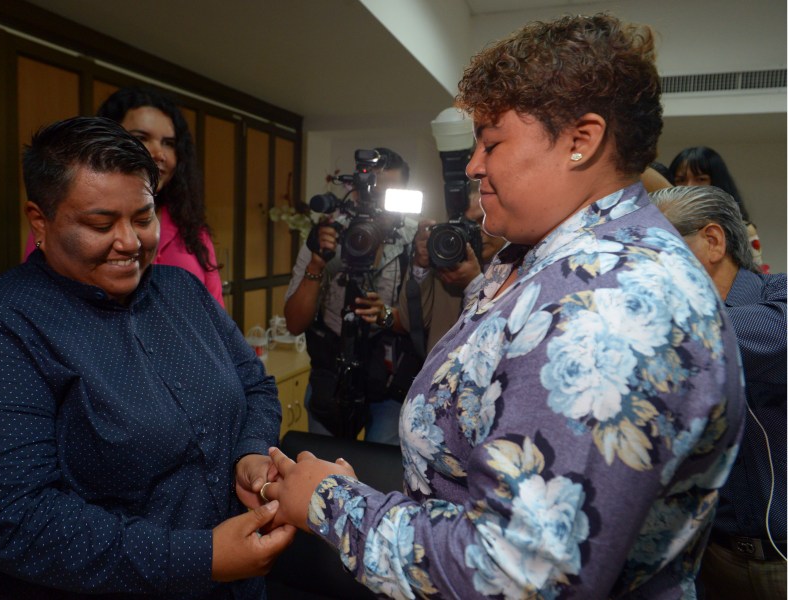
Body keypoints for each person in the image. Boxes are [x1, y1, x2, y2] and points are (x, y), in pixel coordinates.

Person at [263, 14, 745, 598]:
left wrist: (330, 502)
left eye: (491, 142)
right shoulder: (537, 257)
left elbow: (516, 575)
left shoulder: (610, 306)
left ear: (580, 141)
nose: (472, 165)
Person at [0, 116, 294, 599]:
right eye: (101, 224)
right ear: (39, 222)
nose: (130, 242)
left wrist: (251, 451)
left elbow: (253, 384)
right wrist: (200, 557)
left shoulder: (182, 291)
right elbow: (12, 520)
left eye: (143, 217)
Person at [650, 185, 786, 599]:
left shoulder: (777, 296)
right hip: (711, 560)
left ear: (712, 241)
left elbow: (776, 337)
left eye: (660, 248)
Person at [25, 86, 225, 306]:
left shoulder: (193, 228)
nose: (159, 154)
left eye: (169, 143)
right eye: (141, 138)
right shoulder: (57, 227)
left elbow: (215, 311)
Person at [284, 147, 418, 445]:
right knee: (322, 478)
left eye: (389, 195)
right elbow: (294, 323)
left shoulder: (413, 240)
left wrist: (386, 316)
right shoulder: (327, 235)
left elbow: (425, 324)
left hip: (389, 385)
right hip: (331, 378)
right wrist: (318, 264)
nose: (378, 205)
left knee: (379, 479)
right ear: (354, 193)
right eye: (371, 193)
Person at [396, 179, 505, 353]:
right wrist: (420, 266)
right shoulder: (447, 264)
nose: (476, 231)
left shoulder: (520, 267)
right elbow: (411, 323)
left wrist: (473, 283)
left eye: (482, 219)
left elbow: (500, 337)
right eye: (467, 224)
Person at [669, 146, 767, 273]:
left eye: (700, 179)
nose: (689, 186)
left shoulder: (744, 230)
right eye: (681, 180)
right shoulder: (662, 229)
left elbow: (757, 278)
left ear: (716, 182)